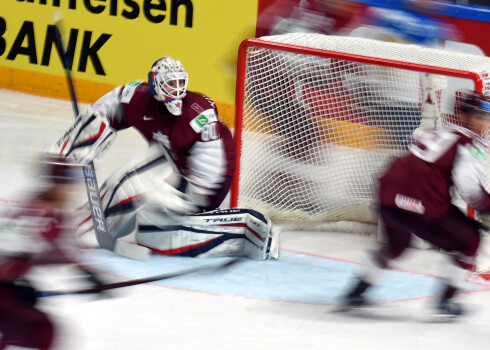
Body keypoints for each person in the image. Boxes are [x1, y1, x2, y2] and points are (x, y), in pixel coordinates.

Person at [51, 56, 279, 260]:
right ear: (154, 84)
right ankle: (243, 231)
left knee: (131, 182)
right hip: (172, 169)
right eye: (170, 83)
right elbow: (113, 104)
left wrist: (190, 200)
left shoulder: (198, 114)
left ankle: (83, 230)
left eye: (180, 83)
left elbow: (212, 170)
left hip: (200, 185)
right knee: (153, 232)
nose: (177, 89)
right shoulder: (139, 98)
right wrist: (86, 137)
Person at [340, 90, 490, 317]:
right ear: (462, 115)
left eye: (485, 116)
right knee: (469, 241)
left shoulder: (439, 131)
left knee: (394, 246)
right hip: (420, 203)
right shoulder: (470, 142)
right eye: (479, 116)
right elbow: (468, 185)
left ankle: (355, 292)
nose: (484, 122)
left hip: (388, 195)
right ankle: (446, 302)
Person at [0, 155, 105, 350]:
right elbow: (6, 252)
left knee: (40, 332)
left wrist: (86, 274)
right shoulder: (33, 212)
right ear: (55, 185)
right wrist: (16, 285)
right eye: (66, 184)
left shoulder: (53, 215)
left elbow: (53, 253)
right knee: (41, 331)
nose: (71, 190)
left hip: (9, 293)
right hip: (5, 293)